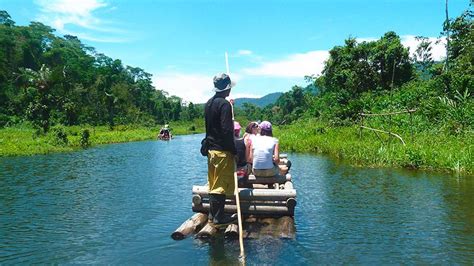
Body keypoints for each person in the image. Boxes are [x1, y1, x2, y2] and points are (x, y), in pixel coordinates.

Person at [204, 73, 237, 226]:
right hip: (222, 151)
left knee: (213, 183)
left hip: (211, 151)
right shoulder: (224, 105)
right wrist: (234, 150)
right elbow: (226, 130)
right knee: (220, 185)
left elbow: (211, 128)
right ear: (226, 89)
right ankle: (218, 217)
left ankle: (212, 214)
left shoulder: (209, 103)